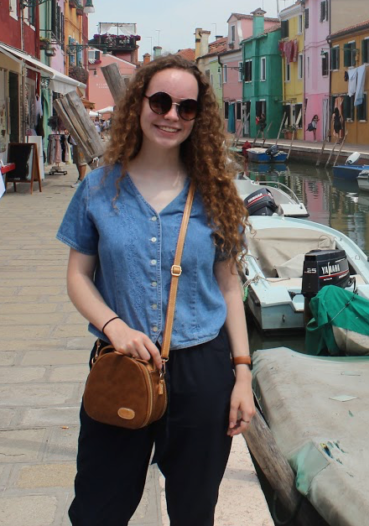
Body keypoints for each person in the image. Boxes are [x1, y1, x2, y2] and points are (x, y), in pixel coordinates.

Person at [56, 54, 254, 526]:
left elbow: (229, 285)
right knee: (96, 511)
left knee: (193, 512)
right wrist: (114, 327)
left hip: (202, 373)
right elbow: (77, 276)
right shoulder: (99, 188)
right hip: (121, 365)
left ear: (198, 118)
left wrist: (243, 375)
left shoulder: (216, 192)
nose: (171, 115)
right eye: (161, 101)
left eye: (186, 108)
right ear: (139, 104)